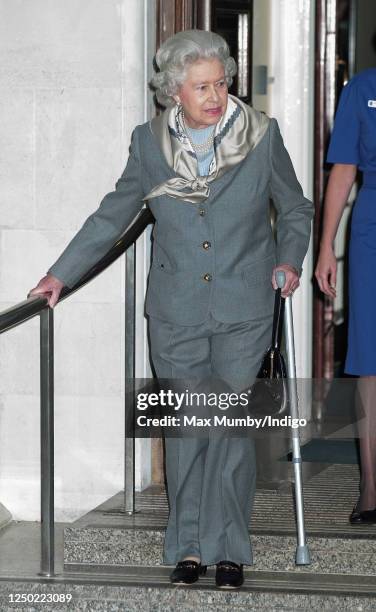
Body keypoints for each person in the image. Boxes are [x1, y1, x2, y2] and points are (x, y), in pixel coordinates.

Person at [28, 30, 313, 587]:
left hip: (244, 304)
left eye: (222, 83)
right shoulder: (149, 143)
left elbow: (295, 206)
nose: (215, 95)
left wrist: (290, 259)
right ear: (173, 91)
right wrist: (60, 273)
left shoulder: (261, 135)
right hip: (175, 308)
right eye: (201, 86)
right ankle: (187, 546)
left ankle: (229, 547)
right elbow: (112, 213)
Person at [315, 68, 376, 524]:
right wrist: (326, 247)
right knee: (371, 362)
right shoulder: (363, 88)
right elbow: (344, 169)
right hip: (373, 228)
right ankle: (371, 488)